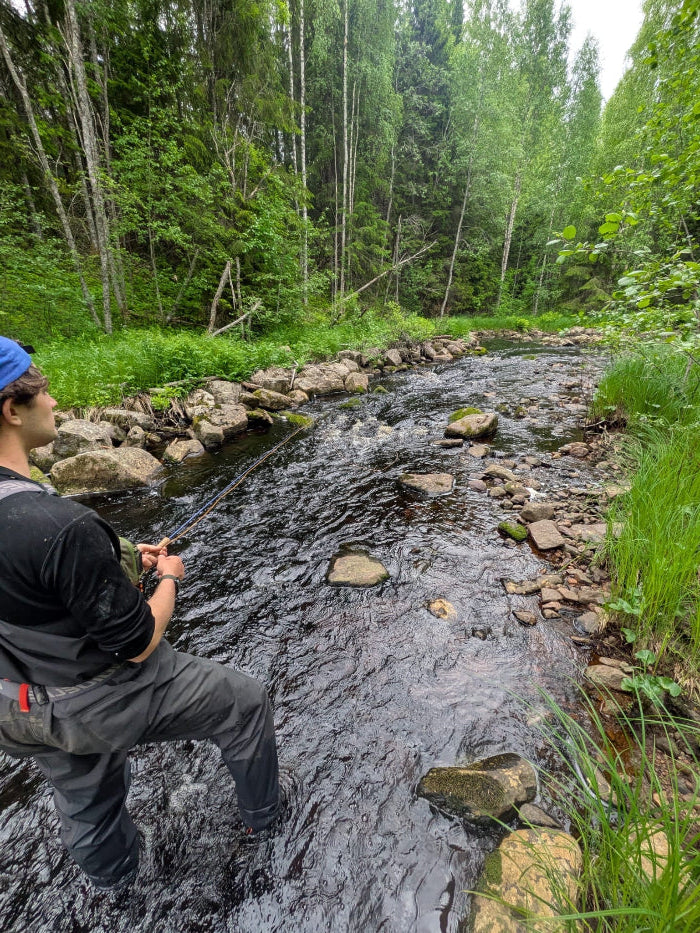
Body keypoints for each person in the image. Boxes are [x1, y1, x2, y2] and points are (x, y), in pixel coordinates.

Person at [0, 336, 281, 891]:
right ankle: (266, 826)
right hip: (91, 701)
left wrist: (118, 555)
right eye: (45, 388)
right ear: (12, 409)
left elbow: (32, 578)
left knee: (83, 791)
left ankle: (114, 888)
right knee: (245, 703)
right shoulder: (59, 526)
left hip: (14, 706)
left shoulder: (46, 520)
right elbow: (138, 642)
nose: (55, 403)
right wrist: (169, 575)